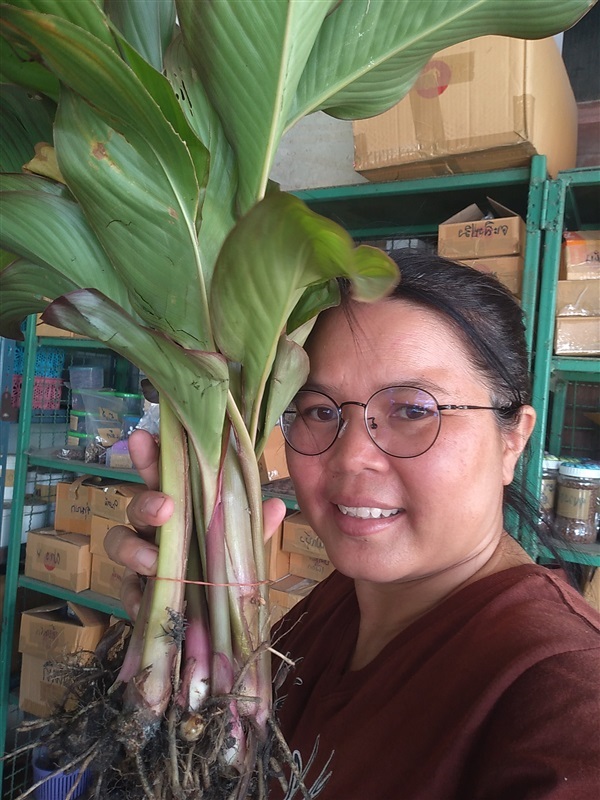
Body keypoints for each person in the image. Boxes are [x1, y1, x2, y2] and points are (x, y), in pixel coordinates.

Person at [106, 252, 600, 799]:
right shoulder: (334, 607)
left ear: (513, 439)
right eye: (318, 410)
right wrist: (177, 606)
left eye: (414, 410)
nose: (351, 457)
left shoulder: (564, 692)